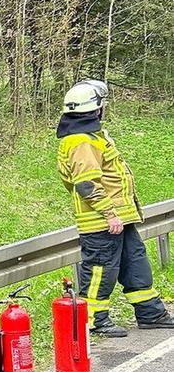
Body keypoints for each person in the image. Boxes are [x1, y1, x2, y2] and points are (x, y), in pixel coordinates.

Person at [56, 79, 174, 336]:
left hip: (118, 217)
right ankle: (94, 321)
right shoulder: (80, 142)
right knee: (101, 270)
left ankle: (151, 313)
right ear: (96, 108)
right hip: (102, 220)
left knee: (135, 263)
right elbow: (86, 184)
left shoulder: (92, 136)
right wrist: (109, 213)